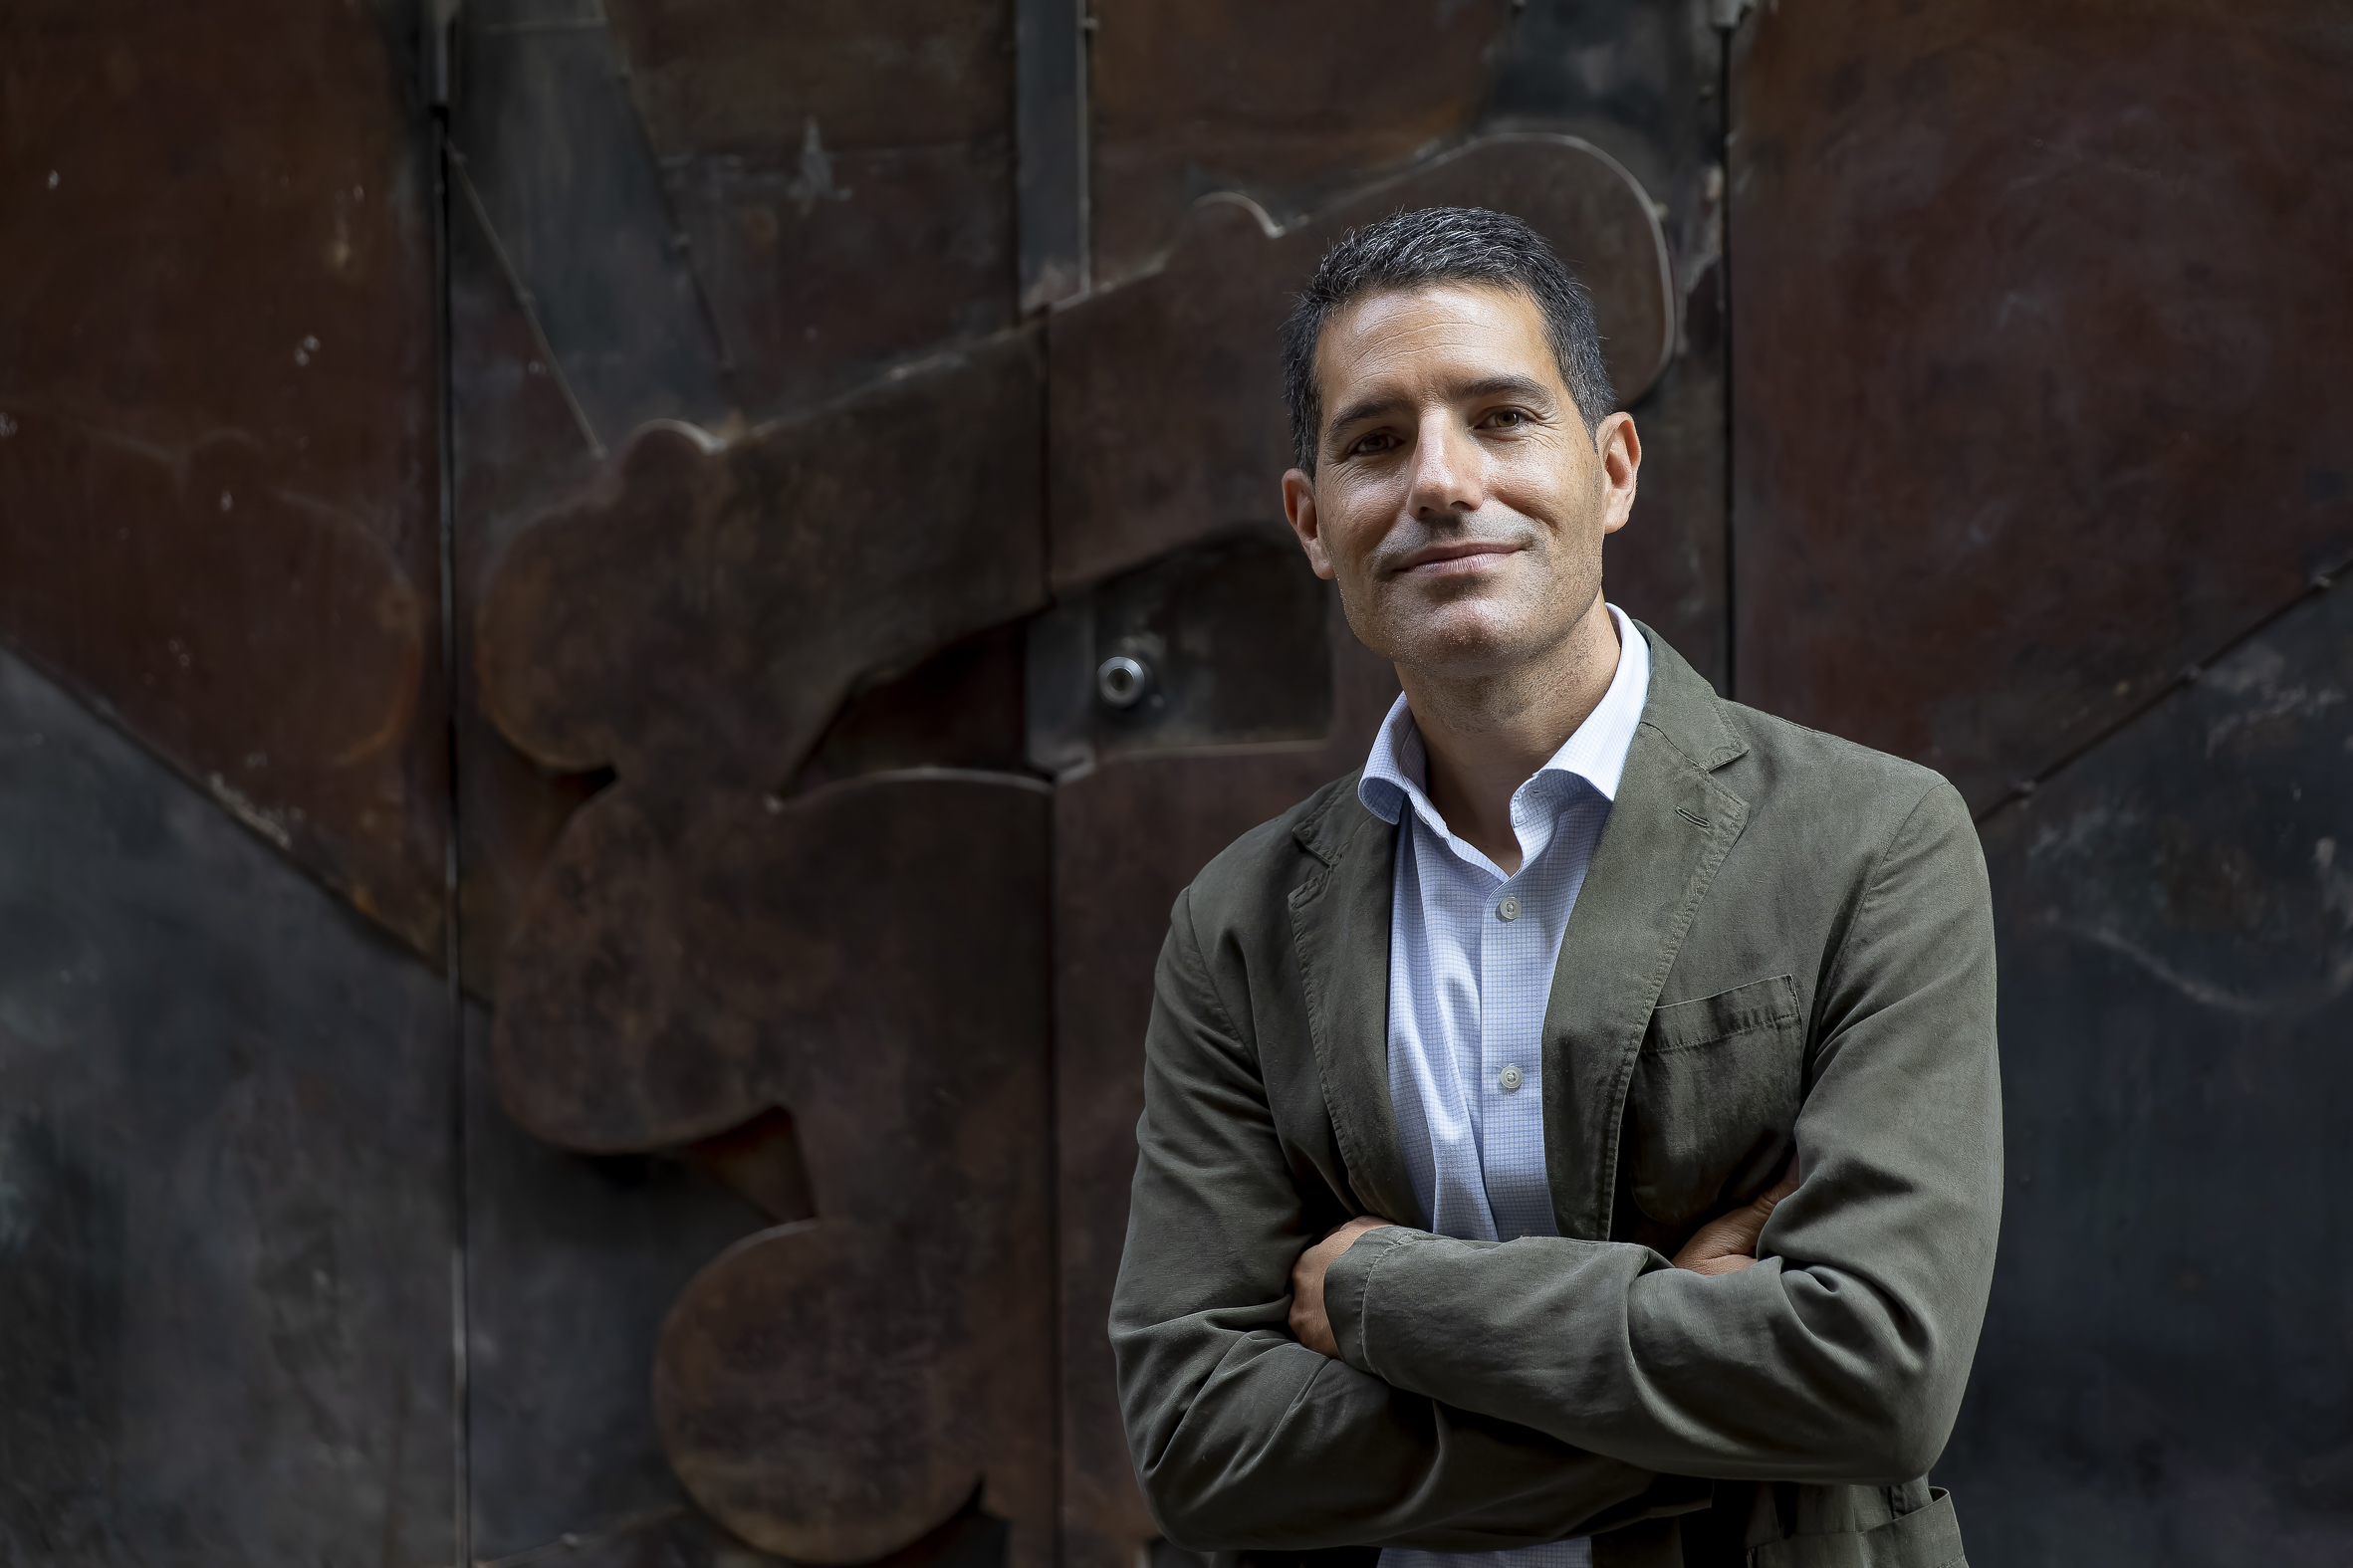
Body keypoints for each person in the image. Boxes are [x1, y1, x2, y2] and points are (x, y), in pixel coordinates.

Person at [1107, 207, 2001, 1568]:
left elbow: (1876, 1375)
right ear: (1312, 521)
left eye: (1502, 418)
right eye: (1374, 442)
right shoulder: (1237, 924)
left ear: (1613, 468)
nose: (1441, 482)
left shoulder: (1872, 842)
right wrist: (1702, 1371)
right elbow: (1200, 1444)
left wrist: (1378, 1292)